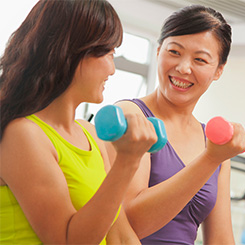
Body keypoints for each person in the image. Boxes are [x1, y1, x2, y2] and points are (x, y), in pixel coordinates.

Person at [0, 0, 158, 244]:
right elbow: (67, 241)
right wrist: (127, 161)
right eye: (108, 53)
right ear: (71, 53)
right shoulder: (23, 133)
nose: (112, 69)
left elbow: (119, 235)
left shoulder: (90, 134)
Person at [105, 5, 245, 244]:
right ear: (159, 51)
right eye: (174, 52)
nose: (183, 68)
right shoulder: (130, 116)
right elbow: (130, 224)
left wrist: (216, 156)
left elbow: (221, 238)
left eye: (200, 59)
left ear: (218, 71)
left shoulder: (215, 144)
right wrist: (210, 159)